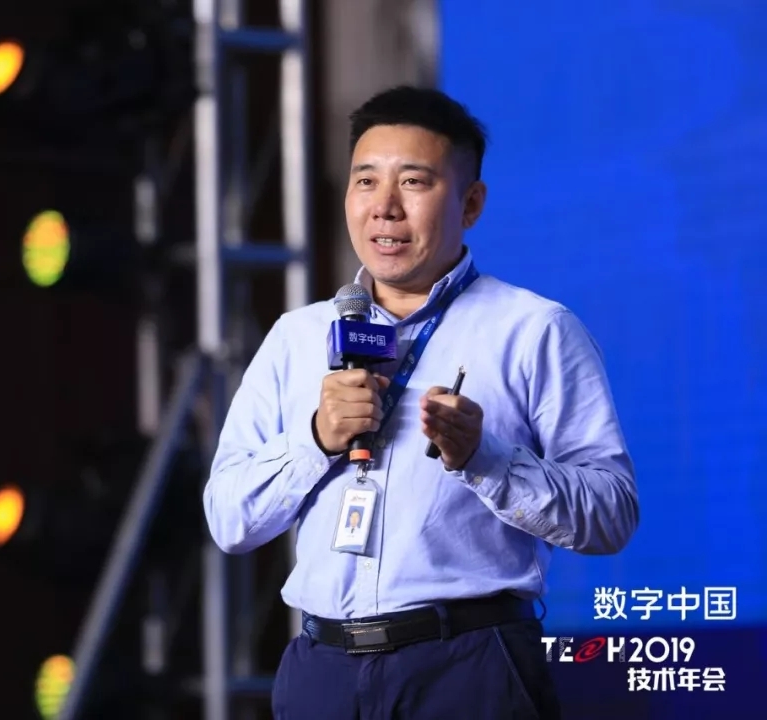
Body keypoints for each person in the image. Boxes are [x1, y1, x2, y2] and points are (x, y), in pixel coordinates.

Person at [202, 85, 639, 720]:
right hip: (320, 671)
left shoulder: (534, 330)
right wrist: (316, 439)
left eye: (413, 182)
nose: (384, 207)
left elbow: (612, 513)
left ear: (471, 202)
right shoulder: (297, 336)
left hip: (466, 663)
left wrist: (485, 459)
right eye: (365, 181)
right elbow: (228, 519)